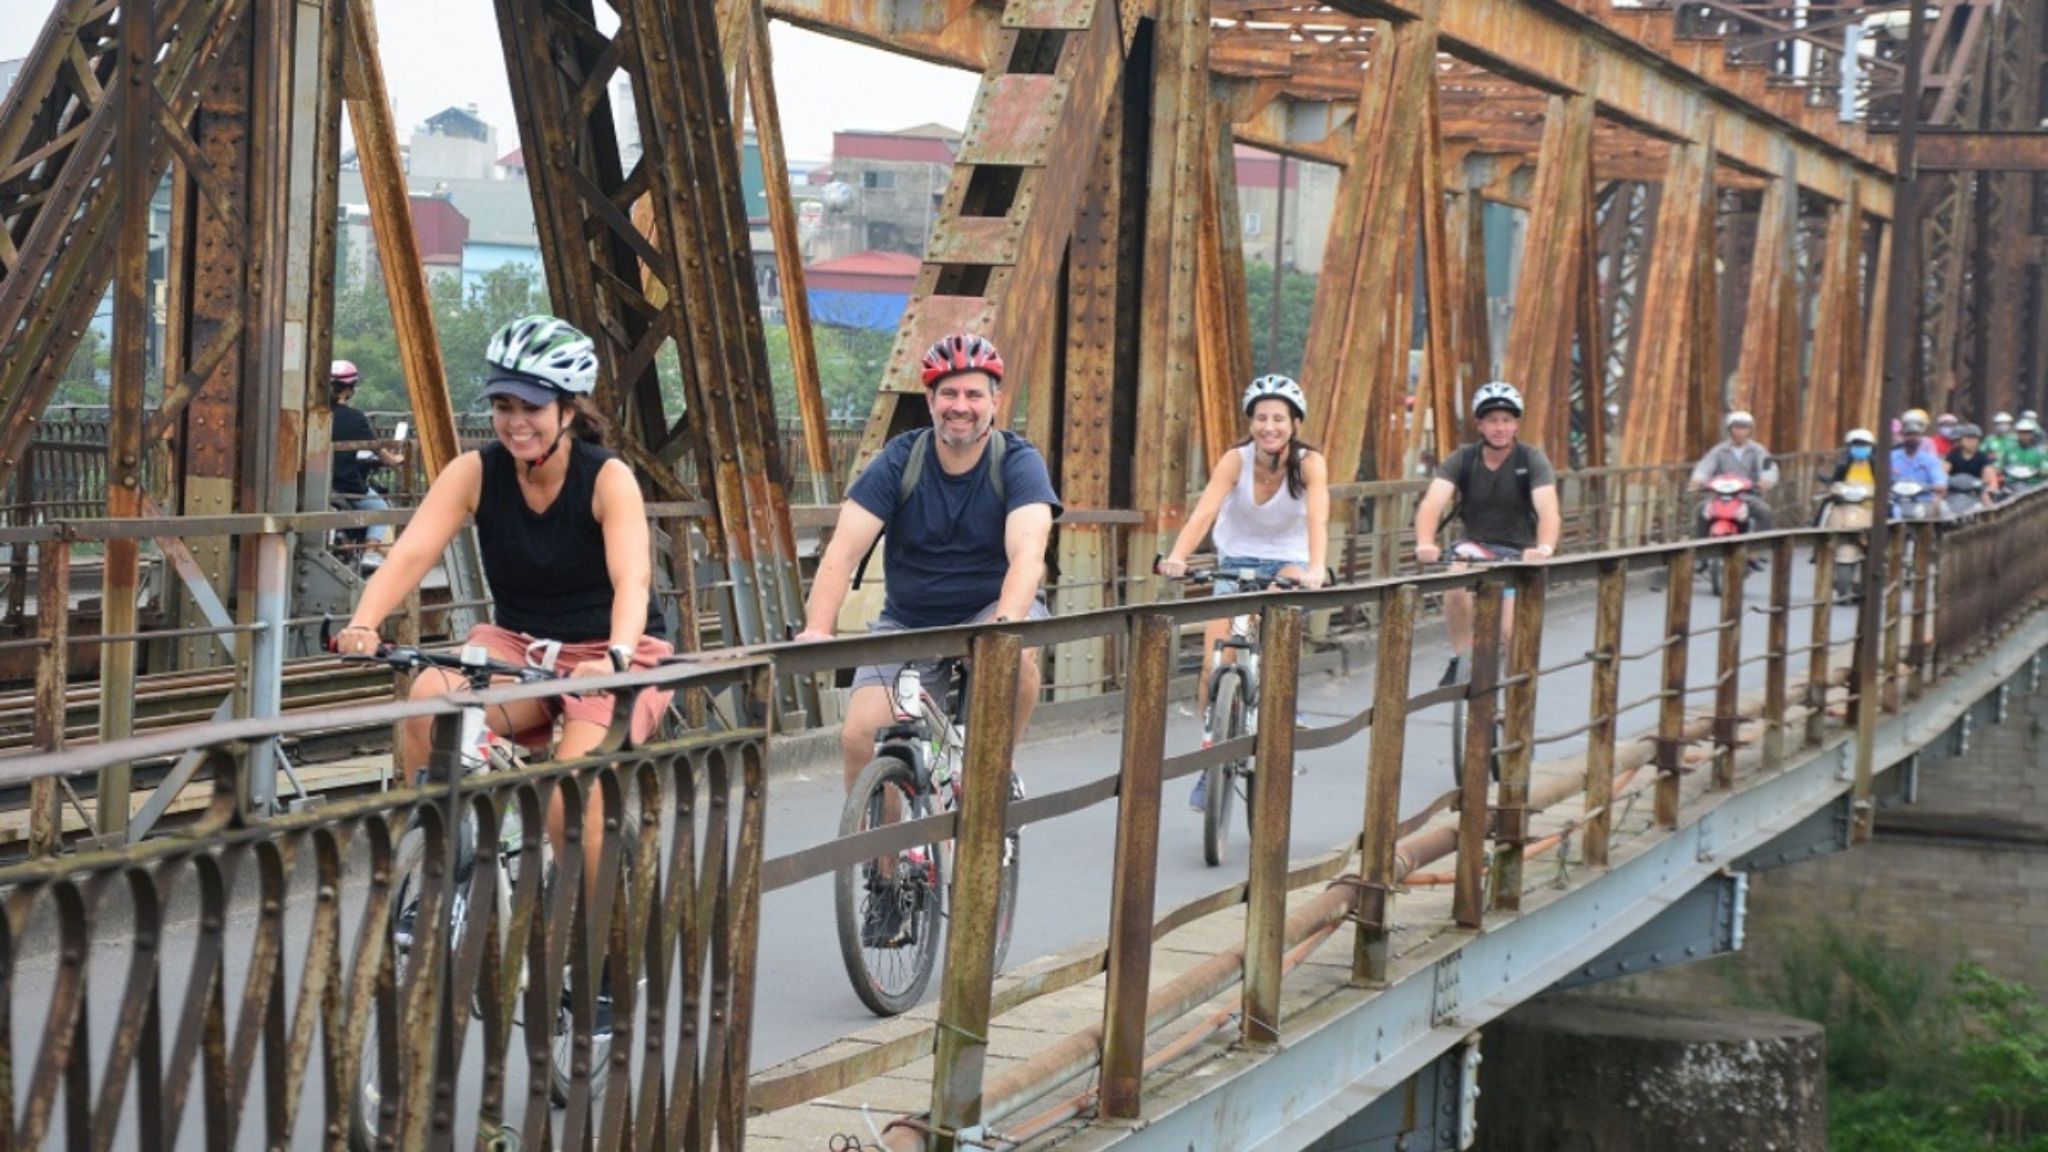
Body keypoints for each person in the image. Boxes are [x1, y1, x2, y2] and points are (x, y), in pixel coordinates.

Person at [332, 315, 674, 885]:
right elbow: (409, 555)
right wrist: (364, 623)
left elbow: (632, 579)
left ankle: (598, 929)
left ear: (568, 411)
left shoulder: (606, 478)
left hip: (614, 652)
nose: (515, 423)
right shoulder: (475, 472)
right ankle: (442, 866)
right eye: (502, 406)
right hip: (519, 647)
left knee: (568, 796)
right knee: (429, 701)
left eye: (532, 408)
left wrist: (615, 655)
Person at [794, 332, 1061, 943]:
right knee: (861, 736)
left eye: (973, 394)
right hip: (911, 619)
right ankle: (887, 883)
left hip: (990, 609)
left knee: (1019, 656)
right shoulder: (902, 459)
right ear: (931, 400)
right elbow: (842, 551)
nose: (960, 406)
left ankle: (997, 766)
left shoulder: (1016, 462)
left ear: (995, 401)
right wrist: (817, 629)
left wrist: (1003, 627)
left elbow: (1028, 552)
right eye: (948, 394)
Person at [1157, 374, 1331, 810]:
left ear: (1295, 423)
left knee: (1273, 618)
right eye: (1261, 418)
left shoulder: (1309, 463)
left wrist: (1315, 568)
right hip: (1236, 562)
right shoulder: (1236, 460)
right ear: (1250, 422)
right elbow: (1205, 512)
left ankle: (1281, 705)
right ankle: (1210, 760)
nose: (1269, 427)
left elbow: (1318, 519)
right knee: (1214, 664)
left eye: (1278, 418)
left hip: (1289, 564)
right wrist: (1177, 557)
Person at [1412, 381, 1562, 686]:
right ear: (1479, 425)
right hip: (1475, 546)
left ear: (1516, 424)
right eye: (1492, 420)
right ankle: (1462, 657)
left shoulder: (1531, 460)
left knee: (1509, 631)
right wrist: (1425, 543)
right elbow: (1432, 503)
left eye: (1507, 420)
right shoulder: (1464, 459)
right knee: (1456, 579)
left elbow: (1548, 510)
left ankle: (1514, 695)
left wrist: (1544, 549)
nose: (1500, 428)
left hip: (1518, 553)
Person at [328, 360, 406, 563]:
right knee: (381, 510)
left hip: (316, 484)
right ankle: (370, 553)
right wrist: (395, 460)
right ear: (350, 388)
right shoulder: (354, 418)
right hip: (345, 483)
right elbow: (379, 450)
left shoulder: (315, 414)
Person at [1688, 409, 1778, 536]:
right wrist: (1698, 480)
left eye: (1744, 428)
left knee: (1764, 510)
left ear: (1750, 430)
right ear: (1730, 429)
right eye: (1737, 428)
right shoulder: (1719, 450)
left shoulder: (1758, 450)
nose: (1740, 432)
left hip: (1748, 496)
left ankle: (1761, 545)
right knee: (1701, 509)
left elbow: (1768, 466)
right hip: (1720, 497)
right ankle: (1701, 545)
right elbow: (1705, 465)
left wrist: (1766, 480)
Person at [1892, 410, 1948, 507]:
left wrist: (1937, 486)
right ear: (1903, 437)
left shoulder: (1930, 460)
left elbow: (1939, 480)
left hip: (1922, 502)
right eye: (1908, 435)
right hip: (1895, 501)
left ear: (1921, 438)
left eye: (1915, 435)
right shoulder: (1891, 457)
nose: (1912, 438)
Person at [1945, 423, 2000, 502]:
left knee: (1987, 499)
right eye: (1968, 438)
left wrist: (1990, 487)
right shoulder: (1953, 455)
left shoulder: (1982, 457)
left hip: (1975, 492)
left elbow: (1990, 476)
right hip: (1953, 490)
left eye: (1974, 438)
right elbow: (1943, 472)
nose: (1971, 441)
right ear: (1961, 439)